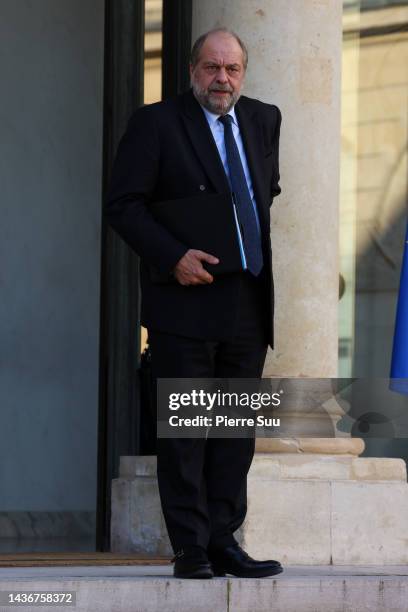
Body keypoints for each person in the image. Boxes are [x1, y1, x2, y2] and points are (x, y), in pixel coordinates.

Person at [105, 27, 283, 579]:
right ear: (191, 70)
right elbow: (124, 205)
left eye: (231, 69)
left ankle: (226, 540)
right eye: (211, 68)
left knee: (236, 433)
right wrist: (173, 254)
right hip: (184, 303)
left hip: (249, 301)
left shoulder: (264, 118)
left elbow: (258, 194)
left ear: (243, 74)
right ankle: (191, 549)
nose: (221, 79)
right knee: (185, 432)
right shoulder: (155, 123)